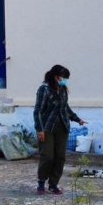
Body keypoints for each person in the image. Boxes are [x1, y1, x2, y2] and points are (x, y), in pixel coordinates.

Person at [33, 64, 86, 195]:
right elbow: (38, 111)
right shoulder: (44, 89)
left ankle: (53, 184)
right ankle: (41, 182)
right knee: (47, 156)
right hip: (47, 127)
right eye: (63, 77)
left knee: (60, 157)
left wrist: (76, 118)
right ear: (56, 77)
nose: (65, 80)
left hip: (62, 127)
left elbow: (65, 108)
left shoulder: (62, 89)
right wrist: (39, 129)